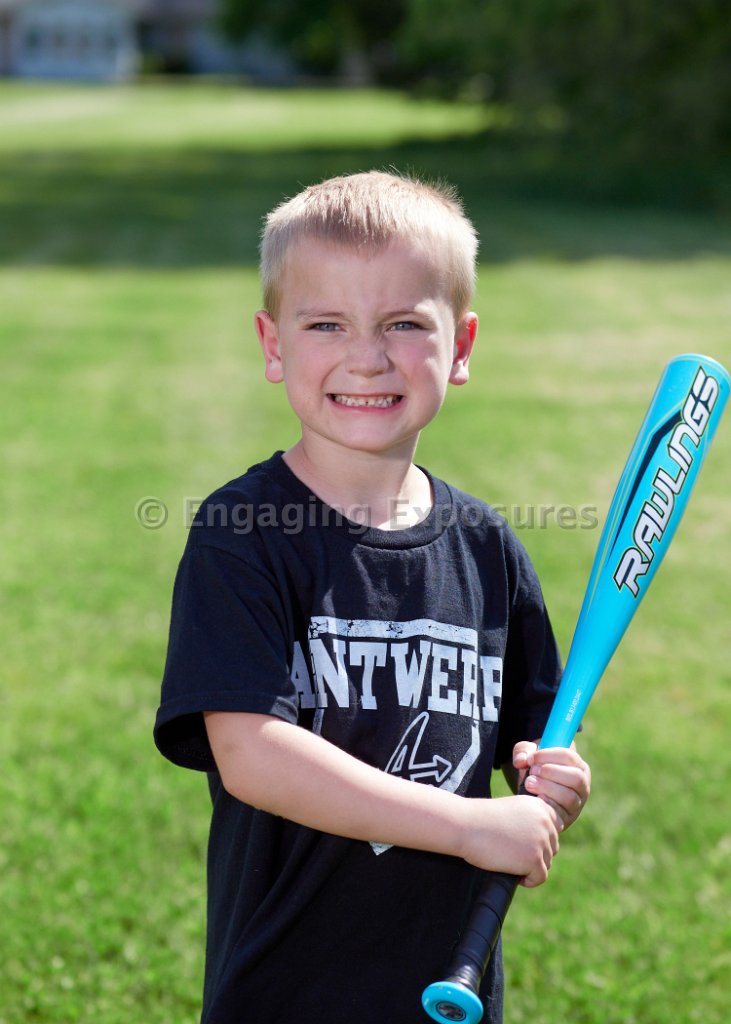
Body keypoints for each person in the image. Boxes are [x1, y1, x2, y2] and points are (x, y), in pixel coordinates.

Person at [154, 170, 591, 1024]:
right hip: (287, 986)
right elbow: (251, 754)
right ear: (272, 343)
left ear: (459, 346)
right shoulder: (243, 534)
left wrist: (553, 778)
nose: (366, 356)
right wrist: (467, 827)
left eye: (403, 324)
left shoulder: (487, 547)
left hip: (447, 982)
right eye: (325, 324)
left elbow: (532, 737)